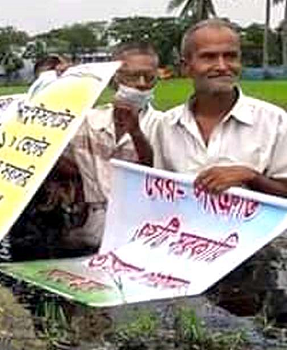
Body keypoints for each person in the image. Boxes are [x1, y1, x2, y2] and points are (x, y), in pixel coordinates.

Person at [145, 19, 287, 198]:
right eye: (209, 57)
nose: (222, 66)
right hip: (184, 225)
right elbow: (156, 191)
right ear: (186, 67)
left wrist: (251, 177)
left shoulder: (275, 121)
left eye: (230, 56)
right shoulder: (166, 125)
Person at [60, 41, 165, 250]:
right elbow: (56, 159)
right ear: (115, 78)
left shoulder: (163, 124)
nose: (142, 84)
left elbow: (156, 176)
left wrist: (136, 133)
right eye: (132, 76)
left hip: (140, 230)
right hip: (89, 229)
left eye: (150, 77)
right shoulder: (88, 121)